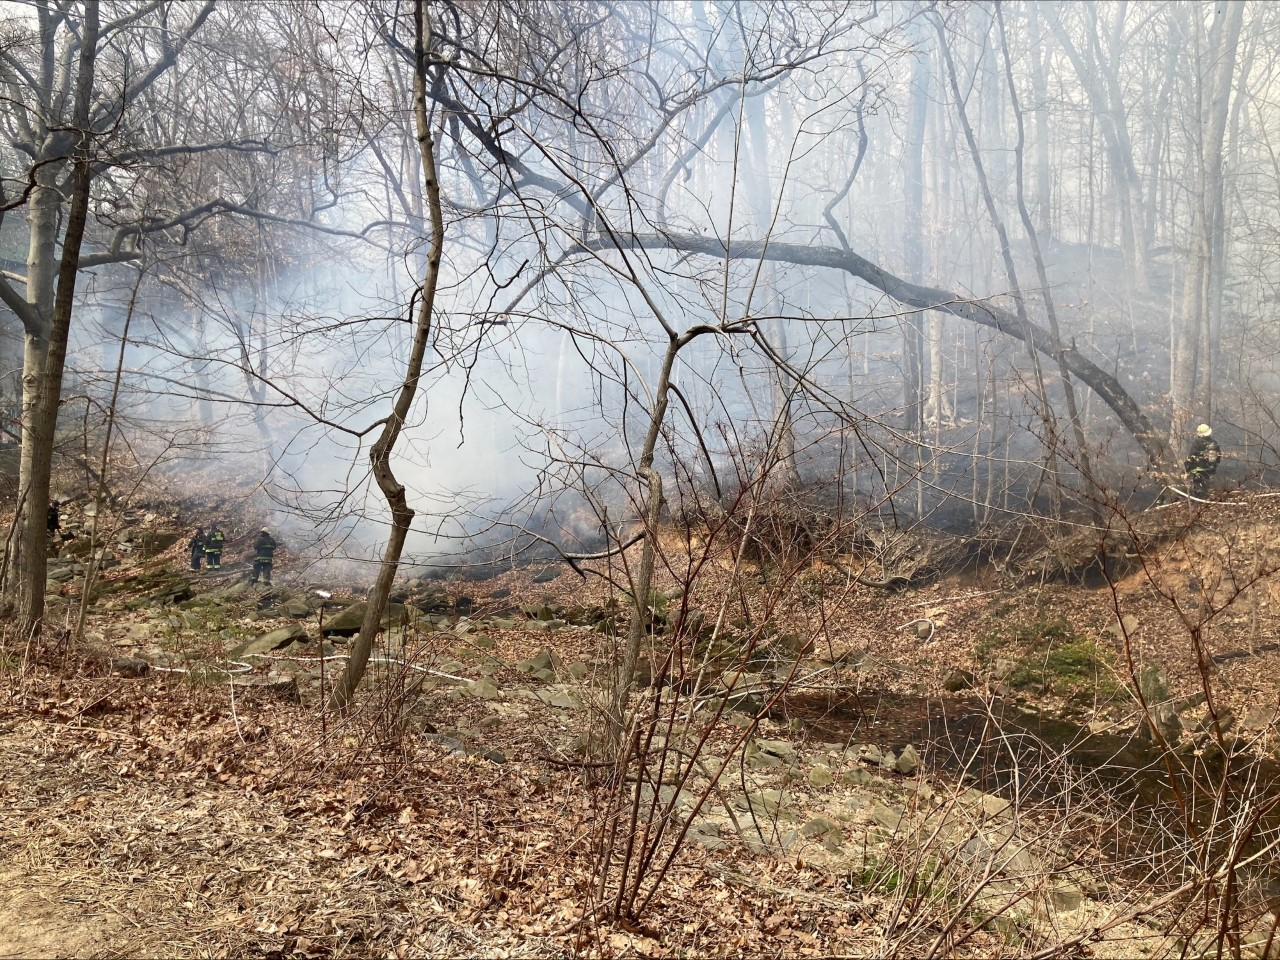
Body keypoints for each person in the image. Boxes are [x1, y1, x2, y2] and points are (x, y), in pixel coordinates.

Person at [1184, 423, 1222, 499]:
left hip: (1198, 470)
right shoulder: (1214, 443)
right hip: (1210, 469)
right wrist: (1214, 466)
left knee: (1199, 489)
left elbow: (1192, 457)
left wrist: (1187, 470)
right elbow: (1218, 456)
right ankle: (1208, 500)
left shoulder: (1196, 442)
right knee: (1208, 487)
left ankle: (1200, 502)